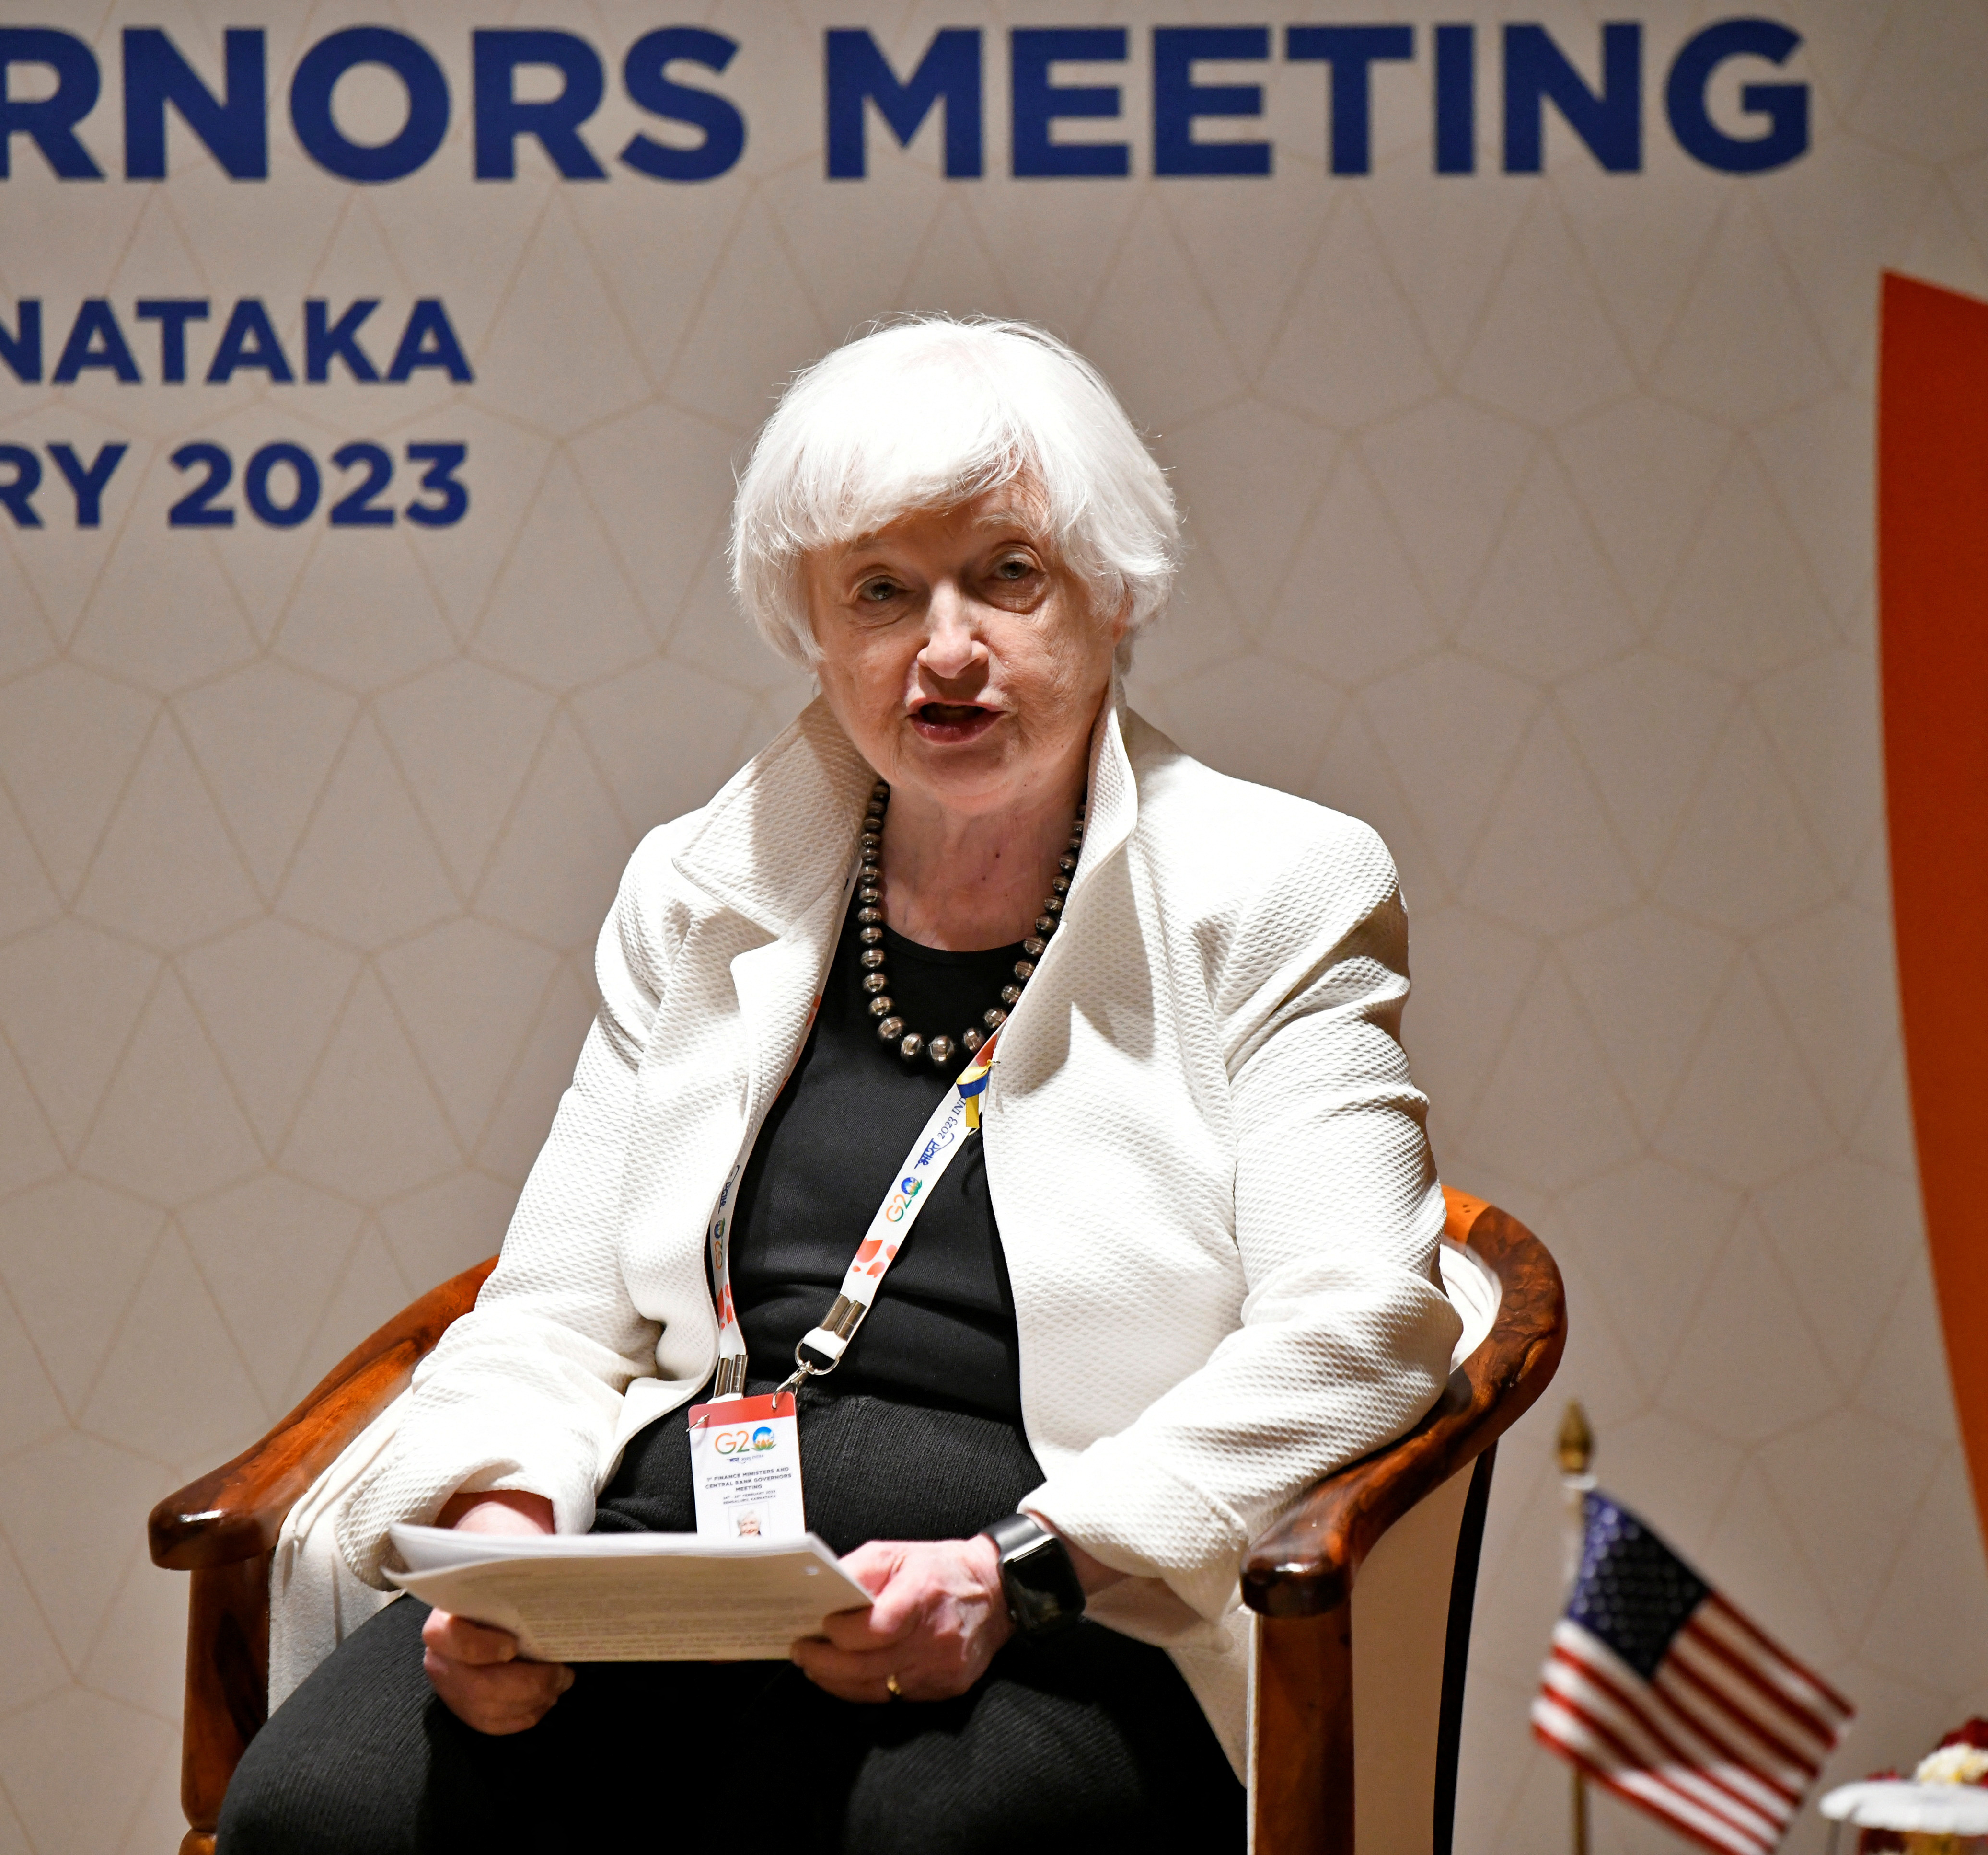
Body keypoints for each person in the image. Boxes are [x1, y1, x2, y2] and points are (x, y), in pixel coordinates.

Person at [220, 317, 1464, 1853]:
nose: (946, 648)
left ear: (1114, 592)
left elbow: (1365, 1326)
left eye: (1009, 574)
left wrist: (1020, 1571)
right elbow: (548, 1312)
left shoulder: (1272, 887)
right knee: (317, 1818)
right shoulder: (700, 887)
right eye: (881, 591)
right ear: (810, 628)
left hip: (1055, 1600)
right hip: (674, 1575)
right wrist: (506, 1541)